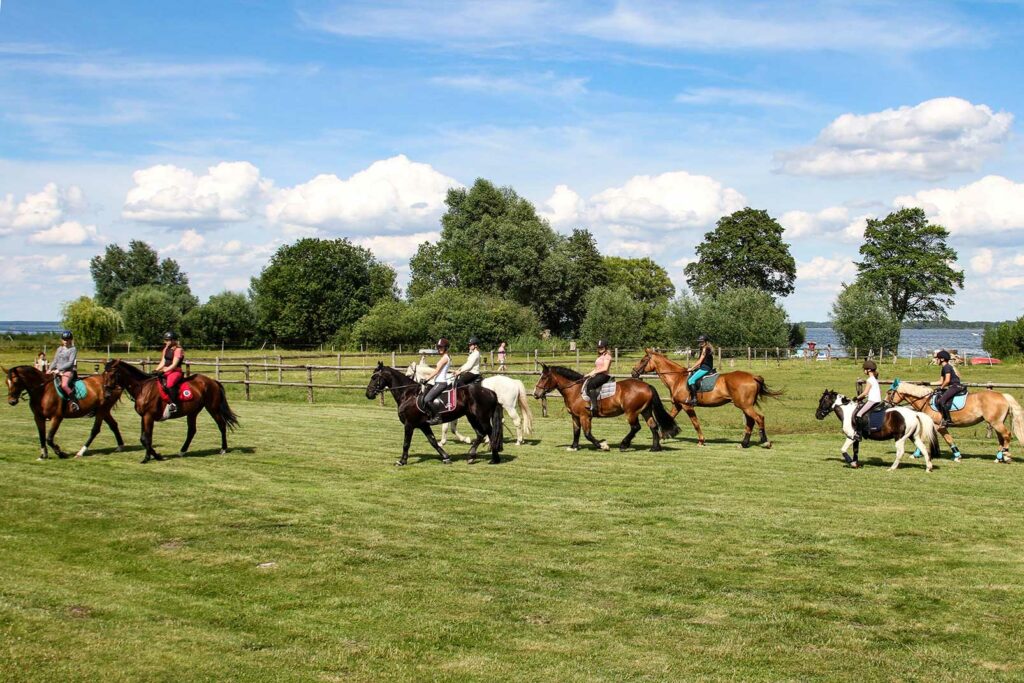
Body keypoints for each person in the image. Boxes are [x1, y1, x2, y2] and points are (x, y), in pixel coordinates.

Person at [154, 331, 185, 415]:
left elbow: (174, 364)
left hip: (175, 371)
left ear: (174, 340)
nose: (166, 342)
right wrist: (156, 370)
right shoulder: (165, 349)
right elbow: (163, 362)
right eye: (165, 340)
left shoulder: (178, 350)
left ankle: (173, 404)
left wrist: (164, 370)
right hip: (166, 370)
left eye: (168, 340)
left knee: (169, 384)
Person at [421, 338, 452, 423]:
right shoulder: (444, 357)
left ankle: (438, 417)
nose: (439, 349)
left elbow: (436, 371)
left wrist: (427, 379)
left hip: (441, 383)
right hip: (438, 381)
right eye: (438, 347)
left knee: (427, 399)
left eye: (441, 347)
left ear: (446, 347)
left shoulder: (445, 358)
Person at [49, 330, 79, 412]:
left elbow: (70, 362)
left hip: (68, 371)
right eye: (64, 339)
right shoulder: (59, 349)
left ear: (71, 340)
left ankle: (74, 402)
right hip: (57, 371)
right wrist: (49, 369)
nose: (65, 341)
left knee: (64, 385)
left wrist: (59, 369)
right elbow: (55, 360)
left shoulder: (73, 349)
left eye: (67, 339)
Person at [582, 340, 612, 416]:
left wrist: (595, 373)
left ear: (605, 347)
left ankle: (594, 406)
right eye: (599, 347)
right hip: (598, 374)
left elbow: (605, 368)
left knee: (591, 385)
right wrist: (589, 374)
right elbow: (597, 368)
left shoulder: (607, 356)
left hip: (603, 375)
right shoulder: (600, 356)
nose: (600, 348)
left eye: (601, 347)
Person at [934, 349, 962, 428]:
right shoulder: (944, 368)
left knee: (941, 400)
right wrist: (928, 383)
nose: (936, 360)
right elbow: (940, 381)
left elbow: (947, 380)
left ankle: (948, 420)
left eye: (937, 358)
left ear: (942, 359)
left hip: (955, 386)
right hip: (952, 386)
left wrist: (941, 387)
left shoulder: (947, 367)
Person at [853, 360, 881, 440]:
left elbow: (865, 393)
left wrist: (857, 398)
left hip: (872, 401)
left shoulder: (869, 380)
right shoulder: (874, 379)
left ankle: (859, 434)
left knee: (859, 414)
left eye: (864, 369)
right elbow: (870, 393)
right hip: (876, 400)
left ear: (868, 370)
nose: (864, 370)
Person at [685, 335, 715, 405]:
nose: (700, 343)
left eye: (702, 341)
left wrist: (692, 368)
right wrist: (694, 367)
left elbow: (700, 360)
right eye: (700, 341)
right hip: (704, 366)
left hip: (705, 368)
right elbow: (700, 362)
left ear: (706, 342)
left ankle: (694, 399)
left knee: (691, 380)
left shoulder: (705, 348)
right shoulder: (703, 348)